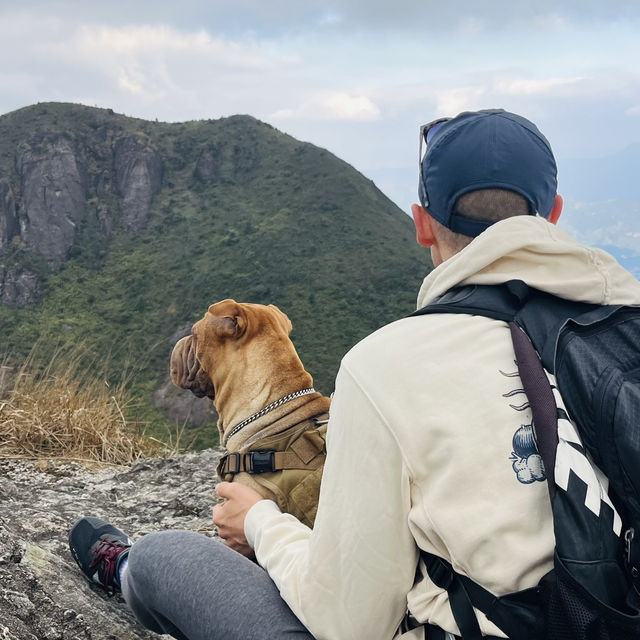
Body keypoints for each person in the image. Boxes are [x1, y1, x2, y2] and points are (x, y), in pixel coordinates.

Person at [69, 109, 640, 640]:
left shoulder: (385, 365)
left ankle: (124, 570)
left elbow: (352, 623)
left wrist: (262, 523)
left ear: (421, 225)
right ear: (554, 215)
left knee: (165, 557)